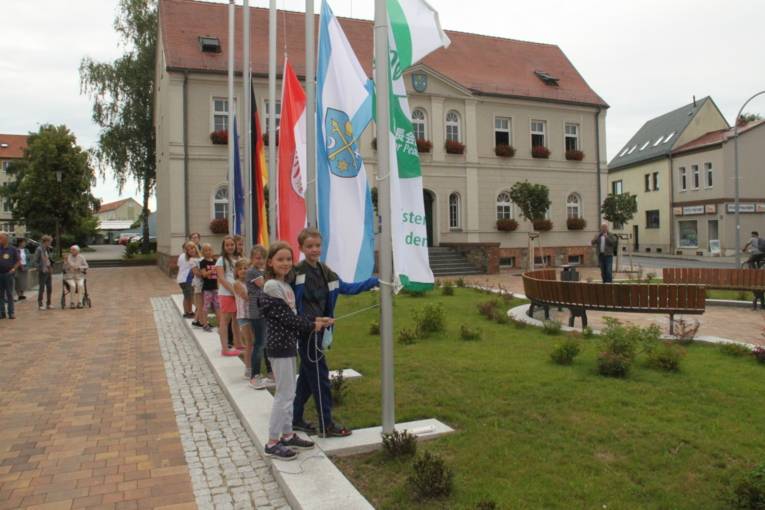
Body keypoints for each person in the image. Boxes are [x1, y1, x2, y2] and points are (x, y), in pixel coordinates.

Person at [292, 228, 379, 438]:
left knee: (306, 378)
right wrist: (309, 322)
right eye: (309, 246)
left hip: (320, 333)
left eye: (317, 246)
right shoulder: (296, 273)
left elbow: (347, 288)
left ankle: (294, 418)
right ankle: (326, 424)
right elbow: (290, 303)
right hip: (308, 333)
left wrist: (375, 281)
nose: (314, 250)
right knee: (321, 380)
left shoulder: (325, 271)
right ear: (301, 248)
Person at [259, 241, 332, 460]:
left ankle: (288, 434)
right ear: (270, 262)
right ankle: (273, 441)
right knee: (284, 393)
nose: (285, 263)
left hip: (289, 346)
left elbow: (296, 316)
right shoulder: (272, 286)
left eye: (288, 259)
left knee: (289, 393)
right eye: (280, 259)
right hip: (279, 347)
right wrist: (312, 325)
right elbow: (288, 319)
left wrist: (317, 319)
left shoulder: (286, 286)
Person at [246, 245, 274, 390]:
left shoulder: (260, 271)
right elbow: (265, 285)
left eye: (263, 258)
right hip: (257, 312)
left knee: (266, 342)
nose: (261, 260)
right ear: (251, 259)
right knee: (259, 344)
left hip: (264, 310)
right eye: (257, 258)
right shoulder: (252, 272)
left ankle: (270, 372)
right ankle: (254, 376)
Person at [216, 235, 244, 356]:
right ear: (223, 247)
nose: (230, 247)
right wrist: (233, 291)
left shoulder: (237, 259)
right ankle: (225, 348)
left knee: (236, 320)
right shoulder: (221, 260)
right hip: (227, 294)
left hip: (236, 293)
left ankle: (238, 344)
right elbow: (221, 279)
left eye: (232, 244)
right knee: (225, 321)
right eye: (227, 245)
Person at [233, 258, 254, 380]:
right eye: (240, 269)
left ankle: (252, 366)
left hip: (252, 315)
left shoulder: (250, 282)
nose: (243, 271)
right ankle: (248, 369)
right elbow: (246, 297)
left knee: (255, 342)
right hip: (243, 316)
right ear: (237, 271)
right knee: (249, 343)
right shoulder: (237, 284)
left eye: (245, 268)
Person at [176, 241, 200, 318]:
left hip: (183, 279)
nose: (191, 250)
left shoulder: (182, 256)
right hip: (185, 279)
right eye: (189, 249)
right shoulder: (191, 258)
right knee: (188, 296)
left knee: (188, 296)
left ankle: (189, 311)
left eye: (192, 248)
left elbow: (178, 265)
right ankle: (187, 312)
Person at [199, 243, 218, 333]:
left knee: (217, 306)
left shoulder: (215, 261)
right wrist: (211, 271)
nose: (208, 252)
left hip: (216, 287)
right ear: (203, 252)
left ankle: (220, 323)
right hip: (207, 287)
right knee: (206, 306)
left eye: (209, 250)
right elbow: (203, 274)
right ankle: (205, 324)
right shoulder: (203, 262)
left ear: (212, 251)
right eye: (205, 250)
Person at [0, 232, 20, 319]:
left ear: (6, 239)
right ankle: (2, 312)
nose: (0, 240)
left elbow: (18, 261)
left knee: (9, 294)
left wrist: (13, 269)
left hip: (9, 274)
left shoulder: (12, 249)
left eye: (1, 238)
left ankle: (11, 312)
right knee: (0, 295)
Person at [33, 235, 54, 310]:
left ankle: (49, 303)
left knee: (49, 287)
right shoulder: (39, 249)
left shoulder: (48, 249)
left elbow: (50, 259)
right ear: (46, 241)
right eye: (49, 242)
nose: (50, 243)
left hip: (48, 270)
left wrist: (51, 266)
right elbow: (35, 261)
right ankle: (40, 303)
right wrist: (40, 268)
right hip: (43, 271)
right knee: (42, 288)